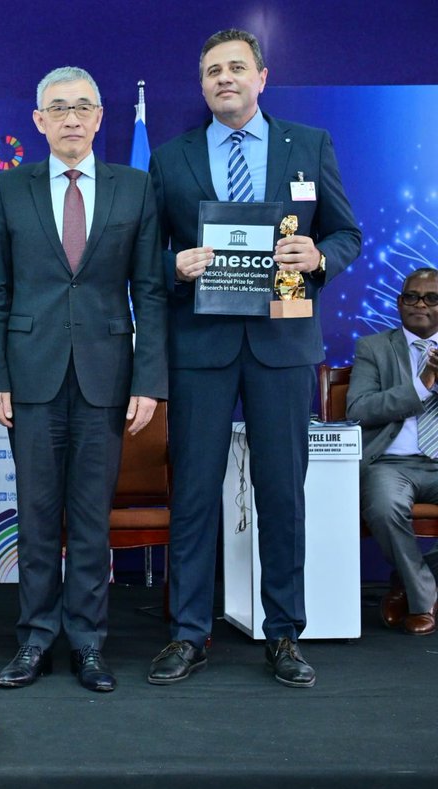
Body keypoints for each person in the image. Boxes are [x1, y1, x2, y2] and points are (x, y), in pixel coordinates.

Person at [147, 29, 361, 687]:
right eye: (212, 70)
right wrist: (173, 265)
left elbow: (346, 231)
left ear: (262, 77)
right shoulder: (171, 157)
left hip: (282, 345)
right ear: (203, 84)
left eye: (237, 67)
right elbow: (146, 259)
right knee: (194, 496)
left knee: (280, 495)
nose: (224, 79)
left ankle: (284, 633)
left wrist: (321, 257)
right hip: (201, 348)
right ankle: (188, 633)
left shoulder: (309, 145)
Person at [0, 67, 167, 693]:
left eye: (83, 107)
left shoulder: (134, 187)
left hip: (106, 377)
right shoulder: (10, 190)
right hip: (29, 378)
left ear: (99, 118)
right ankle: (35, 640)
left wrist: (149, 380)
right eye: (57, 108)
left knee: (90, 517)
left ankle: (88, 643)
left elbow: (149, 289)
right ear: (38, 120)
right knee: (35, 517)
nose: (71, 118)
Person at [348, 268, 438, 636]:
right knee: (384, 507)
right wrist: (422, 386)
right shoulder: (373, 348)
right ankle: (425, 600)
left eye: (431, 298)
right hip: (390, 464)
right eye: (411, 297)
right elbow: (359, 409)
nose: (419, 304)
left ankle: (413, 580)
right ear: (399, 303)